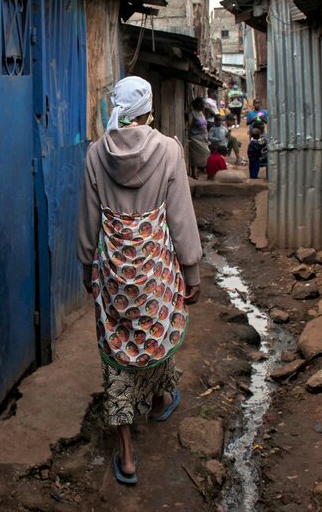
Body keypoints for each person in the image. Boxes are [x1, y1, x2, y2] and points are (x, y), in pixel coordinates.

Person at [78, 76, 202, 486]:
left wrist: (86, 268)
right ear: (149, 110)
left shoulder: (97, 153)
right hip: (156, 271)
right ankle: (160, 398)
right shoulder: (168, 149)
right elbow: (181, 216)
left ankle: (127, 455)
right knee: (156, 328)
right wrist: (191, 271)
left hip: (114, 271)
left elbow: (89, 219)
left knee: (117, 350)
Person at [188, 98, 210, 178]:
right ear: (198, 105)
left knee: (206, 153)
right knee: (196, 156)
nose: (203, 106)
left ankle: (204, 170)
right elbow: (189, 125)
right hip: (195, 138)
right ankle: (194, 173)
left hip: (203, 137)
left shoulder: (201, 113)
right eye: (202, 104)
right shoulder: (193, 114)